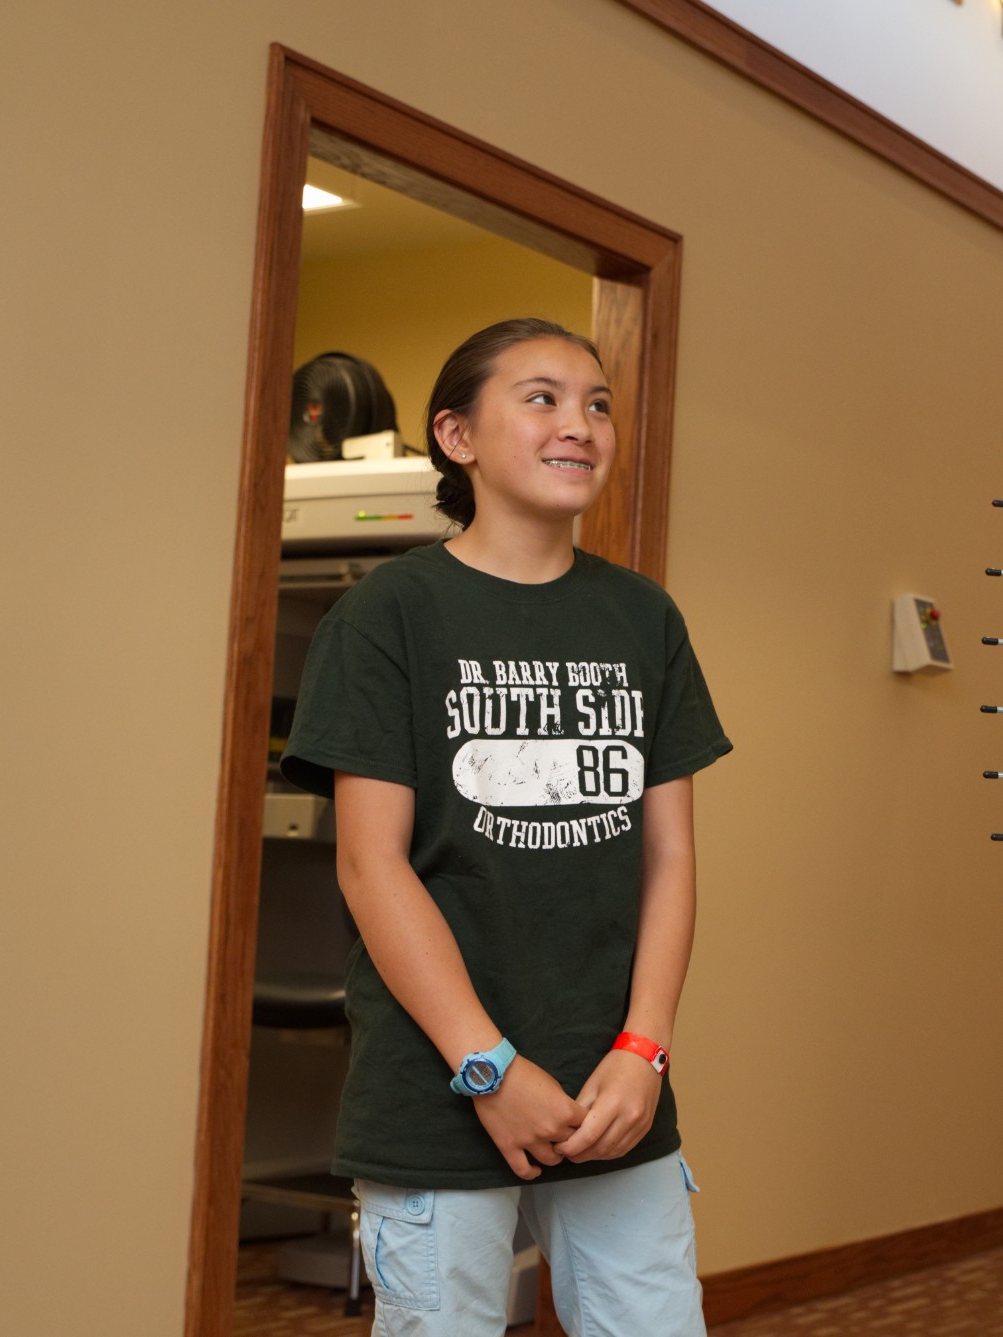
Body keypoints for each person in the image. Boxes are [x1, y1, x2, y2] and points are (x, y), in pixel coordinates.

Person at [280, 317, 731, 1335]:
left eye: (598, 403)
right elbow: (370, 865)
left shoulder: (643, 618)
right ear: (456, 434)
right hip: (438, 1091)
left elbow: (669, 854)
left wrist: (643, 1048)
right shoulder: (388, 615)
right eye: (541, 398)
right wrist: (485, 1064)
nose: (580, 423)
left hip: (616, 1089)